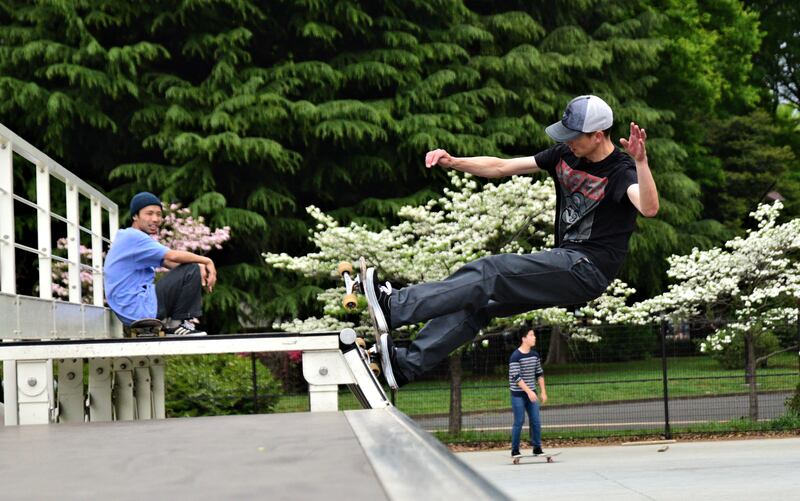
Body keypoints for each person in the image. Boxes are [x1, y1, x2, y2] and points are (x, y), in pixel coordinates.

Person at [364, 94, 659, 388]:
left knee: (492, 271)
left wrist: (641, 161)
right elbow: (501, 167)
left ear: (597, 136)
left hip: (587, 268)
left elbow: (648, 207)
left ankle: (395, 307)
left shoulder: (622, 171)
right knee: (480, 302)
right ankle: (405, 365)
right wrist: (453, 161)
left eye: (574, 137)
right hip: (566, 262)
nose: (568, 142)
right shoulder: (564, 155)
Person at [104, 192, 217, 336]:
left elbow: (170, 262)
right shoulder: (133, 236)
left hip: (133, 309)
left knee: (192, 267)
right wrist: (206, 261)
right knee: (192, 267)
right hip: (138, 308)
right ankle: (176, 326)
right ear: (135, 216)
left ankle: (175, 325)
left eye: (159, 214)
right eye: (149, 213)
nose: (156, 219)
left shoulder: (129, 238)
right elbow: (173, 255)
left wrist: (198, 271)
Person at [509, 327, 547, 457]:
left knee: (536, 421)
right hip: (518, 395)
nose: (534, 337)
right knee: (519, 421)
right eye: (531, 335)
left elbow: (539, 373)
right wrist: (529, 392)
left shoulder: (534, 355)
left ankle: (537, 448)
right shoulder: (515, 356)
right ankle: (515, 450)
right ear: (524, 339)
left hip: (532, 393)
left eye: (534, 335)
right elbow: (516, 377)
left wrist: (543, 392)